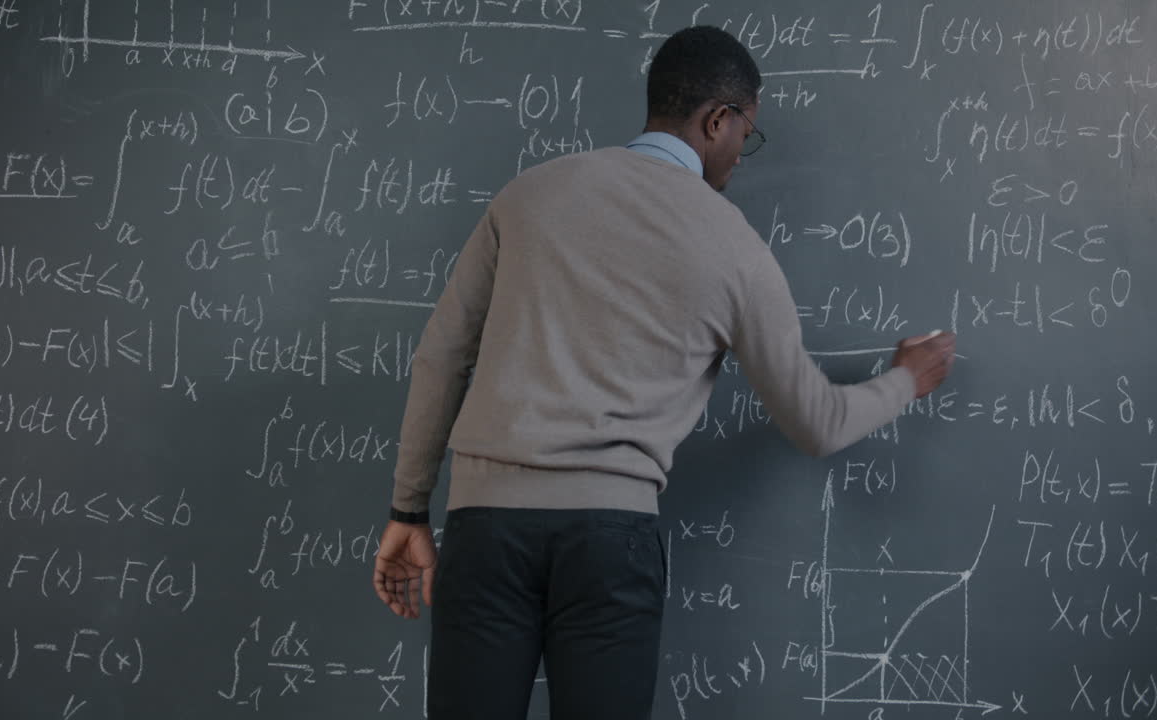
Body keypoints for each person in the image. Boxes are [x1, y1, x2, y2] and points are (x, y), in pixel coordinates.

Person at [372, 25, 956, 720]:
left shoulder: (527, 196)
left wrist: (409, 508)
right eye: (748, 133)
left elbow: (441, 353)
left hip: (486, 527)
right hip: (609, 543)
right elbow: (817, 424)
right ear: (719, 120)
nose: (743, 153)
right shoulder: (735, 248)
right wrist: (906, 379)